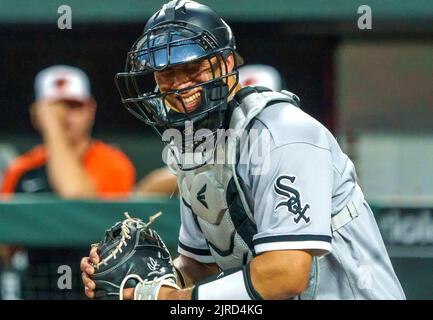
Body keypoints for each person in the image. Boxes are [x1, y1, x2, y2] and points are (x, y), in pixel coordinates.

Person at [81, 0, 405, 299]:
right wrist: (143, 285)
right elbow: (201, 266)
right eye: (166, 73)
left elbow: (286, 273)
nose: (179, 84)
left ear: (226, 63)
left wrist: (173, 300)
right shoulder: (193, 147)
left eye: (192, 68)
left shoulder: (285, 133)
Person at [134, 64, 285, 196]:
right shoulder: (216, 134)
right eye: (242, 101)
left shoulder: (285, 139)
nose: (246, 109)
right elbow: (147, 189)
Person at [1, 65, 136, 198]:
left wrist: (54, 127)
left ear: (91, 111)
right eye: (55, 107)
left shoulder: (112, 162)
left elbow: (77, 199)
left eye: (74, 106)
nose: (64, 116)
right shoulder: (22, 168)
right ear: (36, 115)